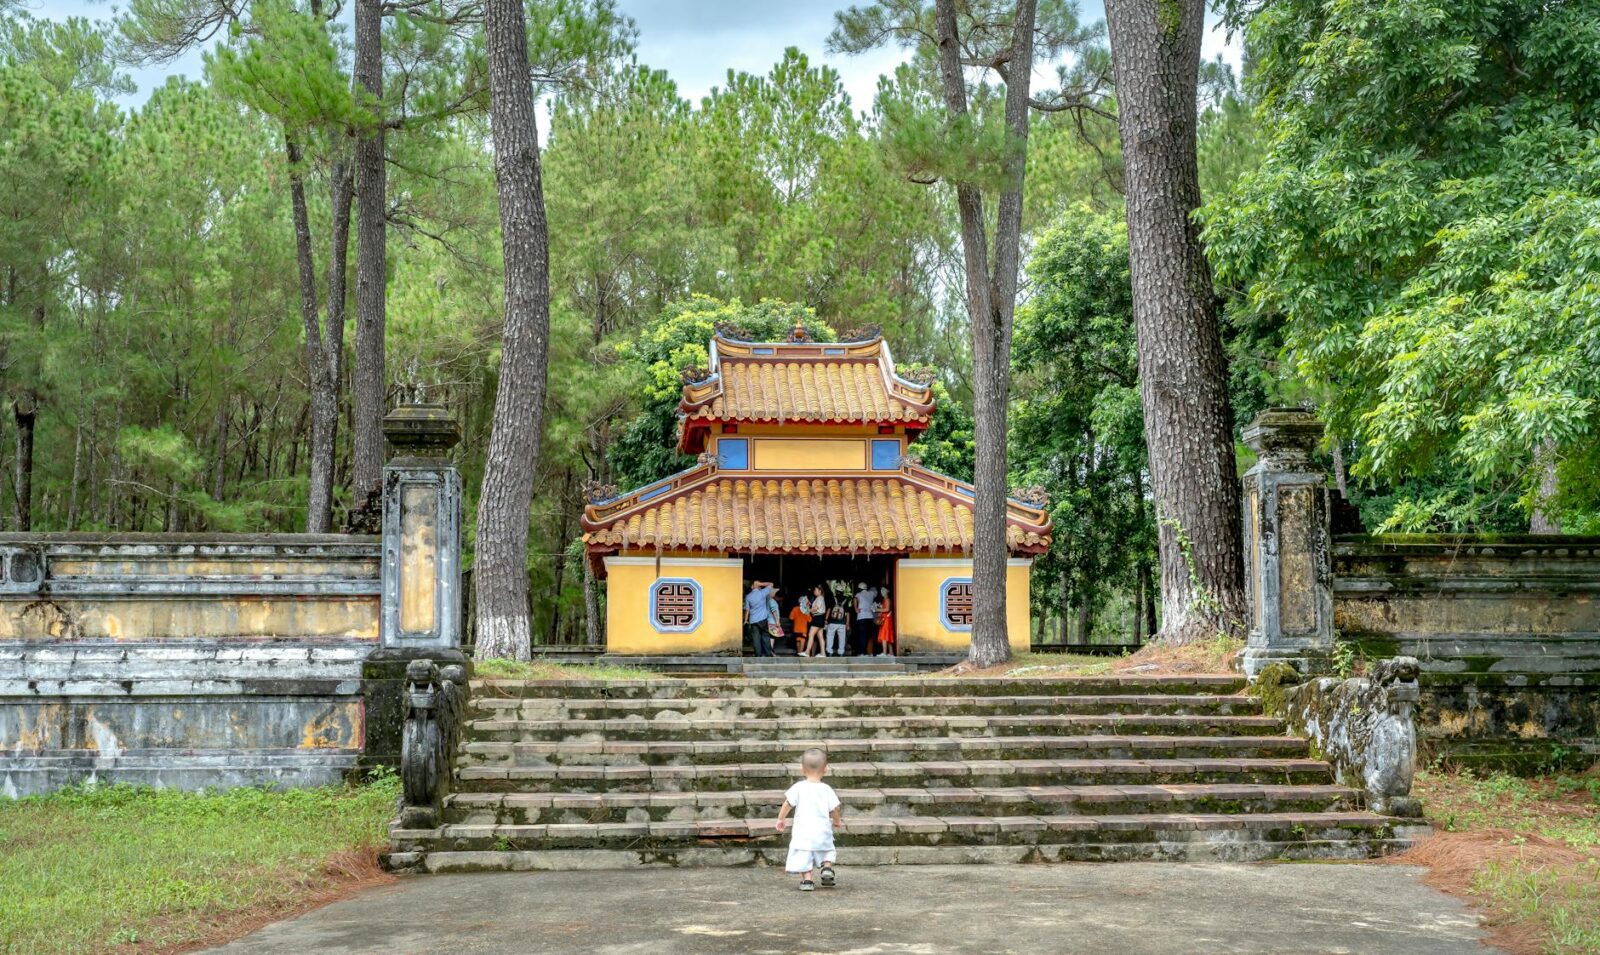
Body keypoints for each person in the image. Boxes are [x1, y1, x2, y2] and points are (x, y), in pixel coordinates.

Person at [776, 747, 842, 892]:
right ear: (825, 769)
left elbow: (787, 803)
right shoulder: (826, 789)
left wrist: (781, 819)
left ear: (802, 769)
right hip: (822, 830)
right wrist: (837, 821)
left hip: (803, 832)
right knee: (827, 850)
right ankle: (826, 868)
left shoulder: (798, 787)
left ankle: (807, 880)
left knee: (803, 855)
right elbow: (835, 808)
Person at [744, 579, 776, 657]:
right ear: (758, 586)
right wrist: (760, 584)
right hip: (763, 619)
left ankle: (758, 655)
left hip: (753, 621)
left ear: (752, 587)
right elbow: (771, 584)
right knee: (765, 636)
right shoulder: (762, 592)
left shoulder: (748, 596)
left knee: (756, 639)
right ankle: (768, 654)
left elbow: (747, 610)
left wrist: (745, 620)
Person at [801, 584, 828, 657]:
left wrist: (807, 610)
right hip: (820, 618)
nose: (814, 591)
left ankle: (807, 652)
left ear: (820, 591)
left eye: (815, 590)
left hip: (817, 618)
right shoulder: (820, 598)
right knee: (820, 637)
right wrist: (809, 604)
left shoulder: (819, 598)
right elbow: (816, 607)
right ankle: (823, 653)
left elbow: (816, 608)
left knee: (811, 634)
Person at [852, 581, 878, 656]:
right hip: (870, 617)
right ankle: (869, 652)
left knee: (862, 635)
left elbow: (855, 599)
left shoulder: (858, 594)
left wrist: (856, 608)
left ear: (859, 588)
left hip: (861, 616)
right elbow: (875, 591)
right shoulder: (871, 593)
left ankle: (862, 653)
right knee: (869, 636)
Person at [875, 586, 895, 657]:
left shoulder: (887, 599)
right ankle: (891, 653)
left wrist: (878, 610)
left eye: (883, 589)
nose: (882, 591)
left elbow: (887, 609)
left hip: (887, 619)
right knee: (887, 635)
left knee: (884, 635)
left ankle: (884, 652)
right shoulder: (884, 599)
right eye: (881, 589)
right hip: (885, 619)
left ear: (887, 591)